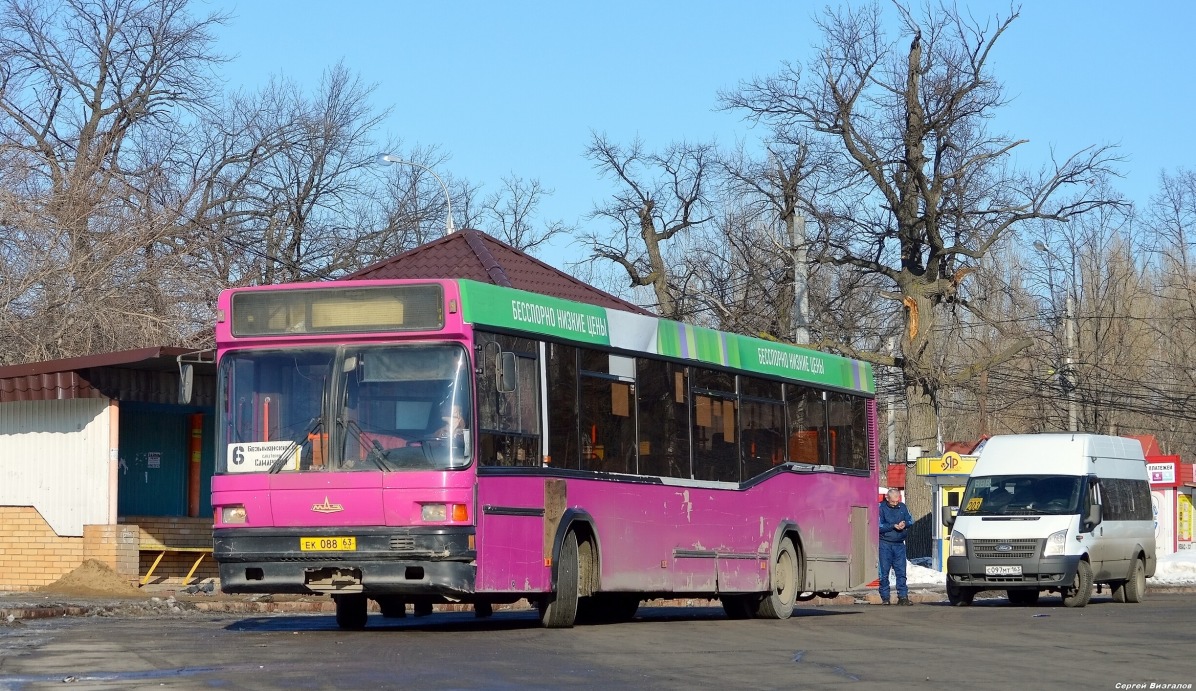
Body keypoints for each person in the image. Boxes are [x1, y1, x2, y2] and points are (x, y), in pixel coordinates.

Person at [878, 488, 915, 606]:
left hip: (899, 544)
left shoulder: (902, 507)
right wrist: (892, 526)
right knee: (884, 572)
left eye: (897, 501)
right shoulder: (881, 508)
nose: (895, 503)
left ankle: (903, 597)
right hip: (885, 543)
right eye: (893, 501)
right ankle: (885, 597)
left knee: (901, 571)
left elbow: (911, 520)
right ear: (887, 498)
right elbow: (878, 525)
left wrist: (905, 524)